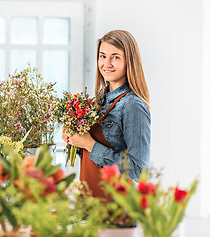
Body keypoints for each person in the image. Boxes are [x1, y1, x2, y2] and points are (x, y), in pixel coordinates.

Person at [62, 30, 151, 198]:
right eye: (103, 56)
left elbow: (140, 170)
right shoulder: (99, 100)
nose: (106, 64)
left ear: (129, 61)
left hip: (115, 207)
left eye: (115, 57)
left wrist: (89, 144)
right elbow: (96, 154)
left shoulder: (133, 105)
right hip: (89, 201)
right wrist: (75, 140)